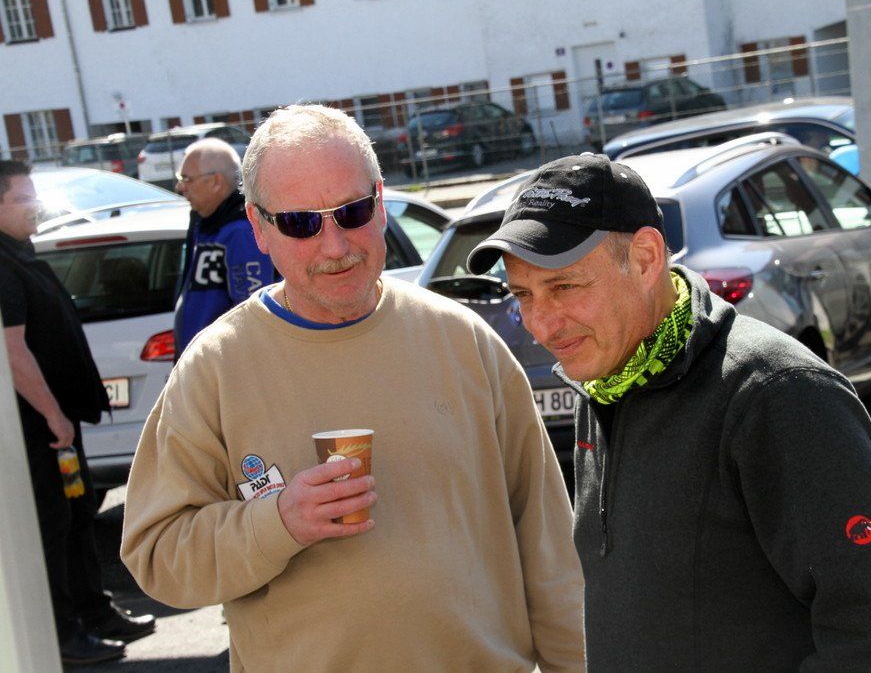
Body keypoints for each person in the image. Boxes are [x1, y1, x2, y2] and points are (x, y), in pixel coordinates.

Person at [120, 105, 584, 671]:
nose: (335, 245)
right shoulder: (216, 368)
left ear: (381, 202)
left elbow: (550, 552)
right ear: (259, 228)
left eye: (353, 211)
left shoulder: (463, 341)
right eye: (301, 223)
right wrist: (278, 523)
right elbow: (157, 556)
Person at [467, 152, 871, 671]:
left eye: (564, 287)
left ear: (645, 258)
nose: (541, 324)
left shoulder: (777, 394)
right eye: (523, 295)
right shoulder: (603, 383)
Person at [0, 160, 155, 665]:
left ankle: (95, 612)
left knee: (78, 512)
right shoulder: (2, 267)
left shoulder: (20, 255)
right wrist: (53, 415)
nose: (34, 206)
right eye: (22, 199)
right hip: (39, 428)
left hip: (59, 424)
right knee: (55, 525)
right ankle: (64, 634)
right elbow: (13, 351)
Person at [173, 137, 275, 357]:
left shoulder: (240, 231)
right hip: (202, 362)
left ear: (216, 181)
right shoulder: (206, 224)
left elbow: (252, 311)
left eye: (186, 179)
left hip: (225, 365)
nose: (180, 187)